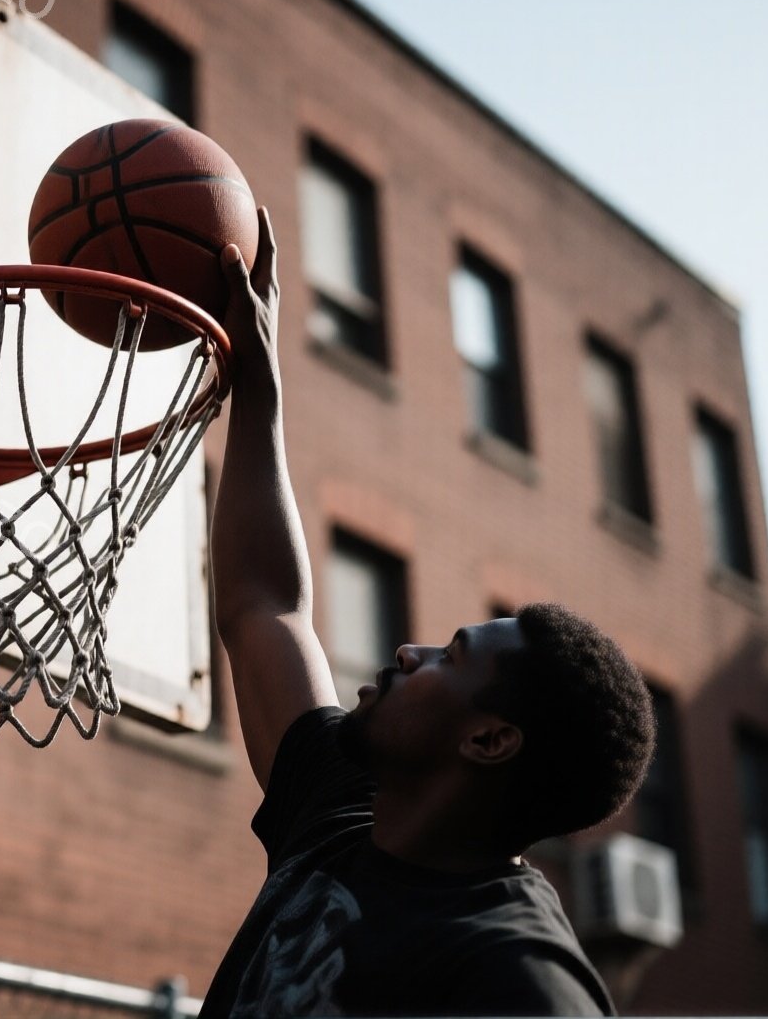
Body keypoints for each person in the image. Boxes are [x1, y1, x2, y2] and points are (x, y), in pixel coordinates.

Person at [199, 208, 656, 1017]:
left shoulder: (517, 978)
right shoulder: (336, 815)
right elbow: (262, 604)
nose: (410, 652)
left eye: (452, 656)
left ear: (489, 739)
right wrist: (260, 391)